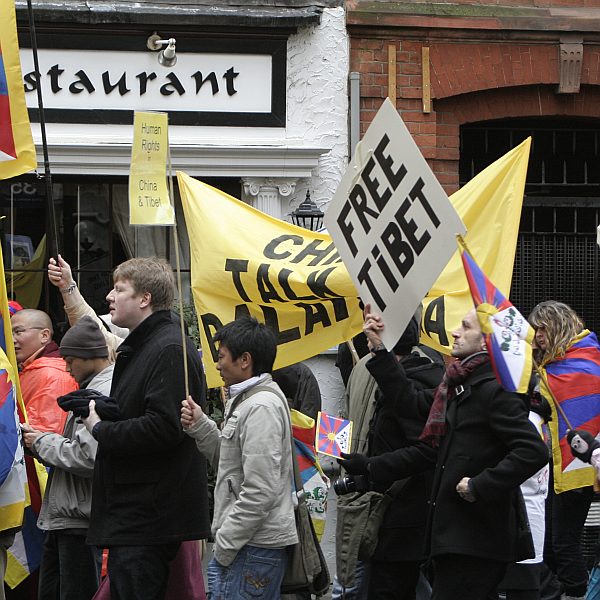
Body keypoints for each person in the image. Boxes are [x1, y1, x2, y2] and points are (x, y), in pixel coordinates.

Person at [340, 307, 548, 600]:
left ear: (487, 340)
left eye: (465, 327)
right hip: (451, 537)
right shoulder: (457, 386)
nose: (455, 332)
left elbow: (532, 450)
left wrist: (479, 485)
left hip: (476, 538)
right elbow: (412, 408)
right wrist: (380, 348)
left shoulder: (495, 390)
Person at [80, 257, 210, 600]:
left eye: (119, 289)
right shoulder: (147, 344)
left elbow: (165, 427)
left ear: (145, 298)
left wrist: (100, 428)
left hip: (148, 515)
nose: (109, 296)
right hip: (139, 512)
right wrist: (104, 408)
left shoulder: (167, 347)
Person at [181, 317, 298, 599]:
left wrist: (225, 543)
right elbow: (232, 463)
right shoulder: (249, 400)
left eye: (221, 357)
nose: (217, 365)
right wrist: (200, 425)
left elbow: (260, 489)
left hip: (251, 547)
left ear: (245, 360)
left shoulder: (260, 407)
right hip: (248, 546)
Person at [333, 308, 443, 599]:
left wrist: (369, 467)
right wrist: (342, 454)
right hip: (374, 504)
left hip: (401, 517)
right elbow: (348, 414)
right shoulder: (361, 369)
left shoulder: (421, 377)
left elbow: (420, 449)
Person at [21, 316, 113, 600]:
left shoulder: (99, 394)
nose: (67, 366)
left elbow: (89, 457)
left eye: (71, 360)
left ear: (90, 357)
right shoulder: (91, 387)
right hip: (68, 515)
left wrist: (42, 441)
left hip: (80, 518)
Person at [528, 300, 600, 600]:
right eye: (535, 329)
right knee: (552, 542)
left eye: (543, 328)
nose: (538, 335)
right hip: (555, 466)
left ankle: (575, 593)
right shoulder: (553, 364)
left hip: (578, 465)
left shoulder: (584, 358)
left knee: (563, 541)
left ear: (558, 324)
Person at [12, 309, 78, 433]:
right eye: (9, 333)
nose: (12, 340)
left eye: (18, 332)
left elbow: (46, 431)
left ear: (44, 335)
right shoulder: (30, 367)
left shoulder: (54, 374)